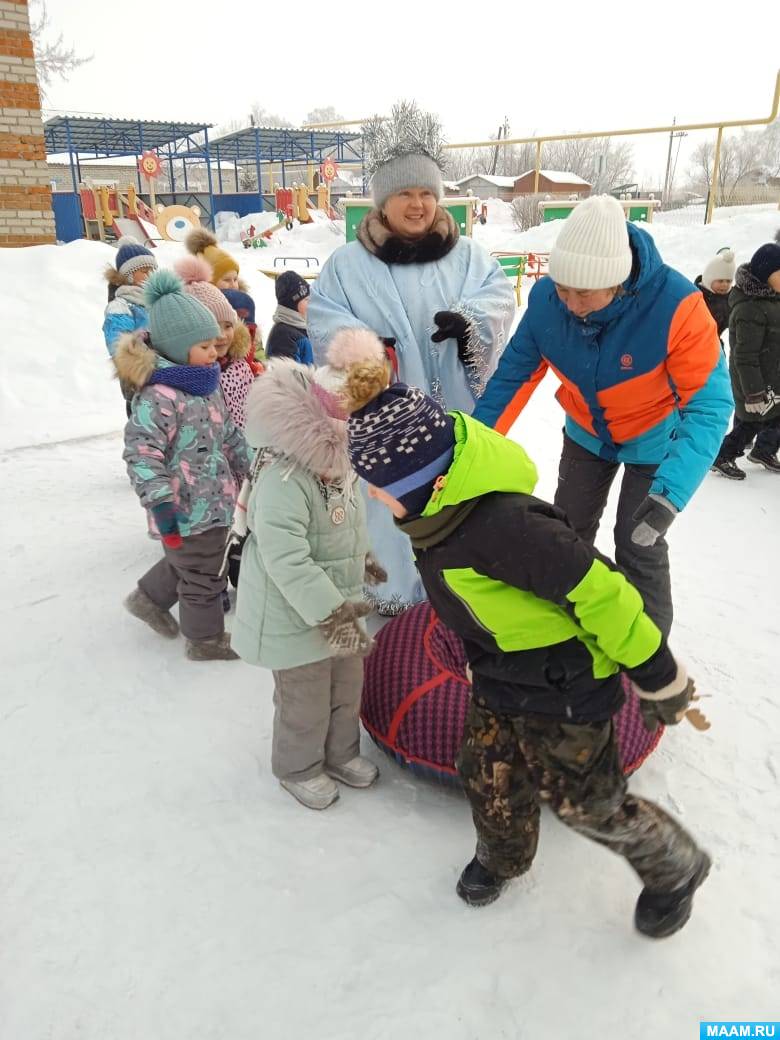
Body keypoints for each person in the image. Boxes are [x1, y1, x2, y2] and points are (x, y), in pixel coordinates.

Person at [341, 347, 710, 939]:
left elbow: (605, 592)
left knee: (586, 802)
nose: (376, 499)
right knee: (485, 768)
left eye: (379, 488)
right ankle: (504, 857)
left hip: (565, 688)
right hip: (498, 674)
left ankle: (675, 867)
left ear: (423, 482)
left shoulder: (506, 527)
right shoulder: (436, 511)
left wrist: (658, 675)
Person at [474, 195, 732, 638]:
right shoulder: (545, 302)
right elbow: (512, 378)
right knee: (566, 532)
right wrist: (472, 449)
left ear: (616, 281)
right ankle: (565, 629)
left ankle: (649, 655)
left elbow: (710, 405)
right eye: (563, 289)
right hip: (588, 434)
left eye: (584, 293)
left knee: (639, 542)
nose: (571, 304)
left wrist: (669, 495)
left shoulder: (678, 307)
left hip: (654, 439)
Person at [308, 101, 515, 614]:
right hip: (385, 420)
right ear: (383, 202)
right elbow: (325, 320)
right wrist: (367, 353)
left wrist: (469, 323)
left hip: (456, 416)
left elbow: (501, 300)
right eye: (405, 193)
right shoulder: (346, 265)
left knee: (461, 502)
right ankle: (395, 594)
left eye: (426, 192)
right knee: (389, 506)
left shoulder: (469, 256)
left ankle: (459, 595)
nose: (418, 203)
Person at [231, 351, 384, 810]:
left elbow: (350, 527)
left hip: (340, 606)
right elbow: (287, 560)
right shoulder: (282, 481)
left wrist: (364, 560)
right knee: (306, 698)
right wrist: (330, 612)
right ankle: (298, 767)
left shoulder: (341, 470)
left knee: (346, 687)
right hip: (294, 616)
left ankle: (340, 754)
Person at [117, 269, 250, 661]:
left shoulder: (204, 384)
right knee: (206, 573)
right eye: (205, 346)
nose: (216, 352)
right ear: (177, 346)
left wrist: (251, 466)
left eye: (215, 344)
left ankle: (147, 599)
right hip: (182, 507)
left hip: (215, 499)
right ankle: (204, 639)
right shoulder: (159, 396)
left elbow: (228, 434)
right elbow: (141, 453)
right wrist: (160, 503)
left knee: (190, 560)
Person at [711, 234, 780, 479]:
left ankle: (764, 450)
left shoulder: (773, 300)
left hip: (771, 377)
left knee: (773, 419)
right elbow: (745, 355)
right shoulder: (750, 307)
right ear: (766, 274)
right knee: (751, 422)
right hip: (752, 380)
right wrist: (753, 391)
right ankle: (723, 455)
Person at [174, 255, 256, 429]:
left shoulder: (239, 366)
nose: (222, 336)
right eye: (214, 328)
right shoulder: (185, 377)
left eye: (228, 326)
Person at [102, 237, 158, 417]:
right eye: (144, 271)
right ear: (129, 275)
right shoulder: (121, 305)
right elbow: (118, 343)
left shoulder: (156, 301)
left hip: (164, 374)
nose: (151, 275)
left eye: (153, 270)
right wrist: (140, 361)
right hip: (138, 379)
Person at [265, 271, 314, 365]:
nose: (311, 304)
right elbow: (289, 375)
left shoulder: (303, 328)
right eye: (306, 300)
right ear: (292, 305)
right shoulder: (283, 336)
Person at [694, 247, 735, 345]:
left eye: (728, 281)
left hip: (715, 343)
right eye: (720, 281)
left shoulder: (731, 297)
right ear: (709, 279)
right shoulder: (698, 297)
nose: (725, 285)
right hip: (696, 344)